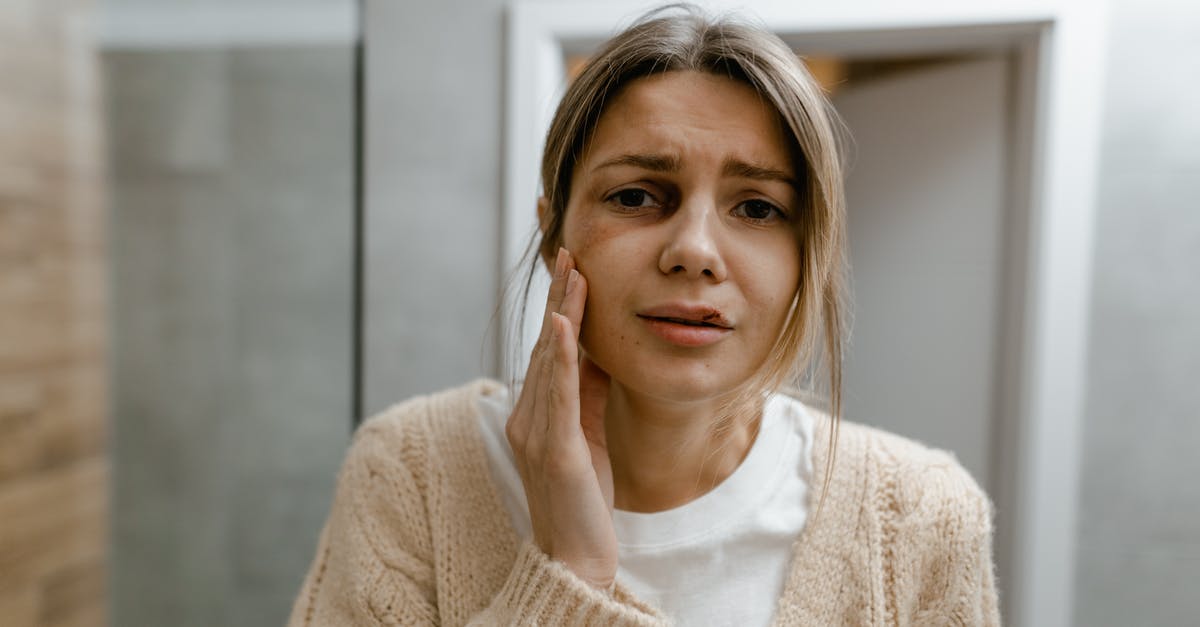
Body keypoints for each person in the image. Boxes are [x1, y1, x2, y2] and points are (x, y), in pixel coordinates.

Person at [287, 5, 1000, 626]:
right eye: (635, 195)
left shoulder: (919, 516)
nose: (694, 251)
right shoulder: (413, 473)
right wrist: (569, 574)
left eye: (757, 207)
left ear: (804, 262)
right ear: (553, 235)